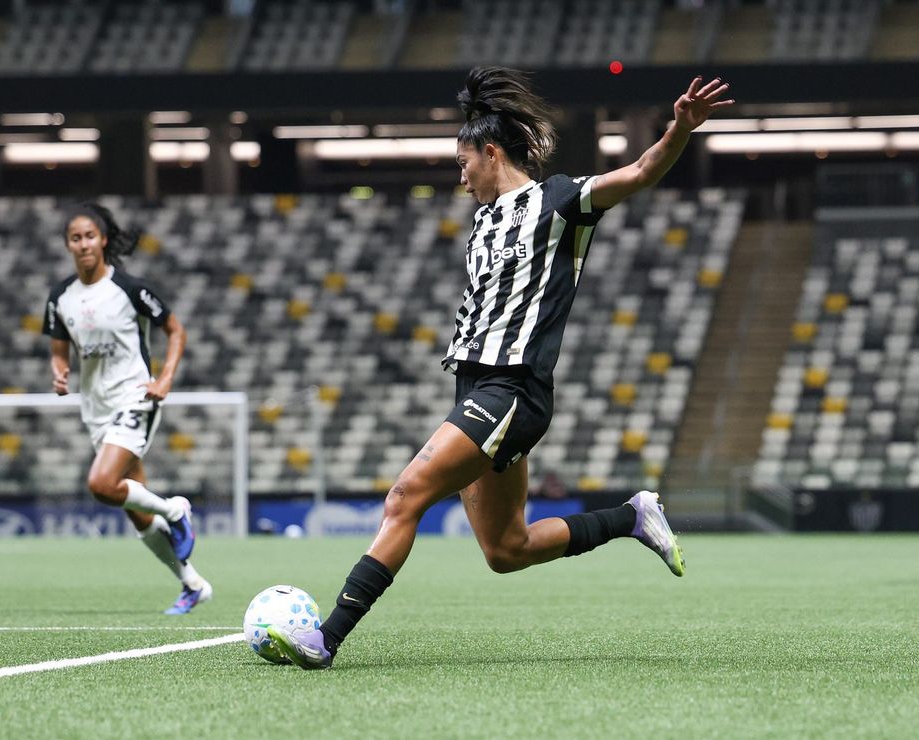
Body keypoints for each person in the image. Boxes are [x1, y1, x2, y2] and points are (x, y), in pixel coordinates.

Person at [270, 67, 733, 669]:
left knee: (404, 497)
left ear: (491, 153)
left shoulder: (560, 201)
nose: (460, 180)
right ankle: (631, 517)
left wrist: (679, 128)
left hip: (512, 390)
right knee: (505, 549)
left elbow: (641, 173)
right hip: (476, 388)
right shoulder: (484, 223)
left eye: (463, 164)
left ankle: (325, 639)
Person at [43, 202, 212, 614]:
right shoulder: (60, 297)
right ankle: (193, 584)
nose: (83, 244)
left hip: (136, 396)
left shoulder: (129, 289)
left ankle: (176, 509)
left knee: (102, 485)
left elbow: (175, 329)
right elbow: (59, 349)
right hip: (96, 408)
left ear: (102, 240)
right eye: (75, 238)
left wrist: (166, 377)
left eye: (89, 236)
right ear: (68, 244)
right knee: (135, 510)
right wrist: (60, 371)